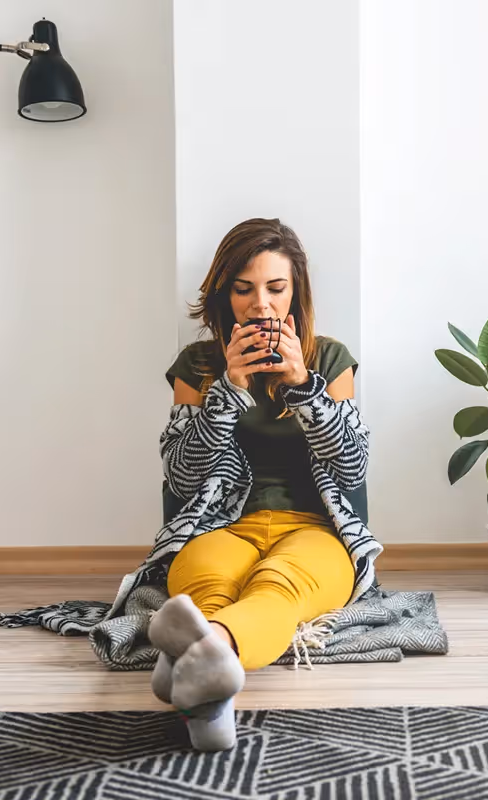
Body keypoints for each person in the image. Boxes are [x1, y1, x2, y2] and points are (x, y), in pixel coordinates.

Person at [147, 218, 381, 752]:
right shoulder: (199, 365)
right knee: (209, 589)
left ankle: (205, 657)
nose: (261, 305)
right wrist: (227, 389)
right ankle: (211, 687)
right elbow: (183, 477)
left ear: (295, 292)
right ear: (224, 294)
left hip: (314, 530)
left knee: (280, 587)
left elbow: (352, 469)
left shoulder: (328, 359)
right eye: (244, 289)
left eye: (276, 288)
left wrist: (304, 388)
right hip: (220, 526)